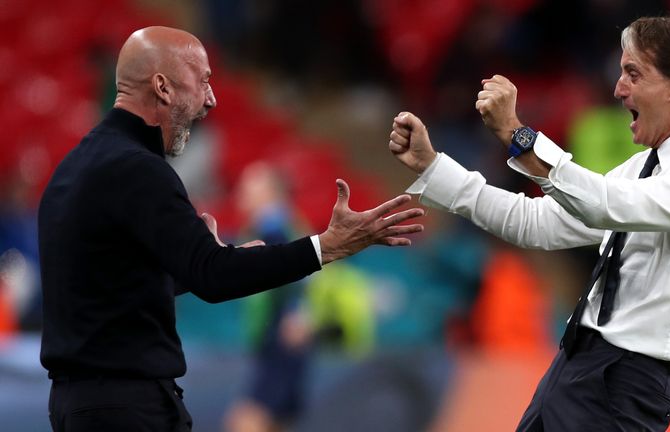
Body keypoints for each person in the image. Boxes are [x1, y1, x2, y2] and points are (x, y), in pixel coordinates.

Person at [39, 26, 425, 432]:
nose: (211, 98)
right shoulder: (139, 170)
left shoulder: (76, 168)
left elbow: (109, 285)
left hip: (79, 405)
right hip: (126, 409)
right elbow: (214, 276)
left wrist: (200, 265)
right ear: (162, 86)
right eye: (203, 80)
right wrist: (326, 247)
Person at [388, 15, 670, 431]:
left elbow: (601, 204)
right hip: (573, 366)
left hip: (625, 382)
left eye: (633, 73)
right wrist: (432, 167)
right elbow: (536, 222)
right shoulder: (645, 168)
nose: (618, 89)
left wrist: (516, 133)